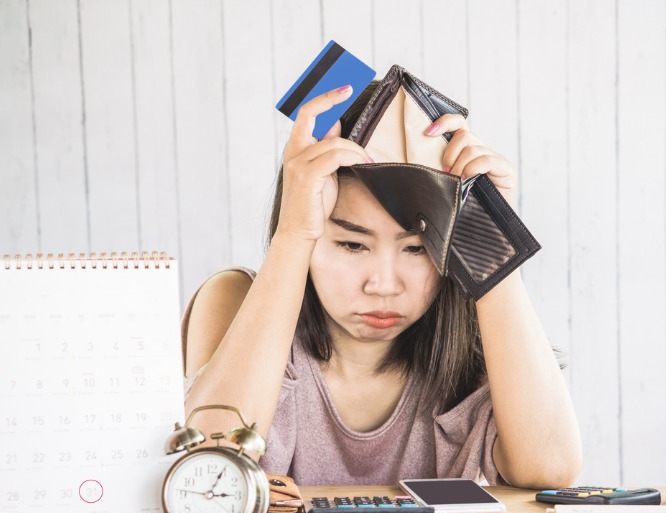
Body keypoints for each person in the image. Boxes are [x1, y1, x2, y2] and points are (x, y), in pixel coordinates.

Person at [182, 82, 582, 488]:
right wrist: (293, 234)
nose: (383, 285)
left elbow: (549, 468)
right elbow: (208, 464)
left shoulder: (480, 347)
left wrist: (488, 238)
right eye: (353, 244)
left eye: (416, 249)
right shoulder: (234, 299)